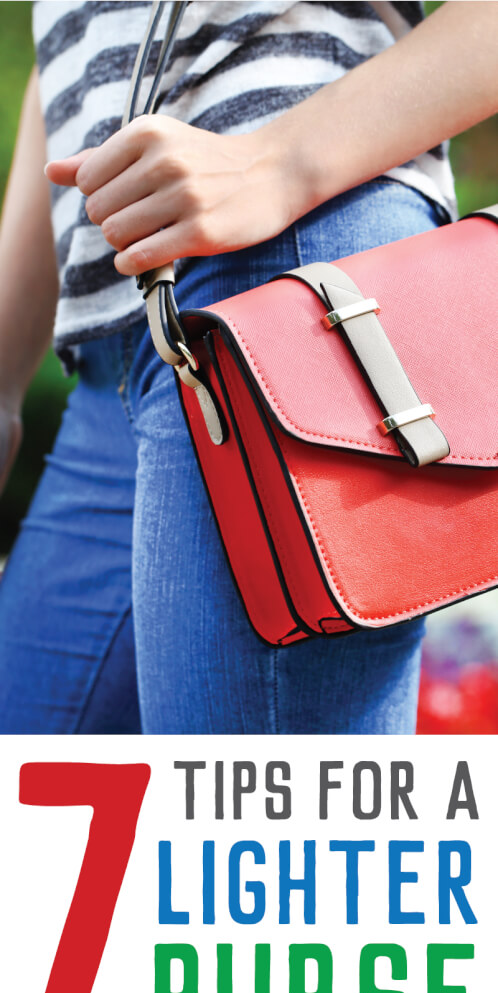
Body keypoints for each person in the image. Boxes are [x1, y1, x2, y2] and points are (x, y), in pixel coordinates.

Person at [0, 1, 496, 734]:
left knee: (265, 834)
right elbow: (72, 53)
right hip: (114, 347)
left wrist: (276, 160)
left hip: (294, 274)